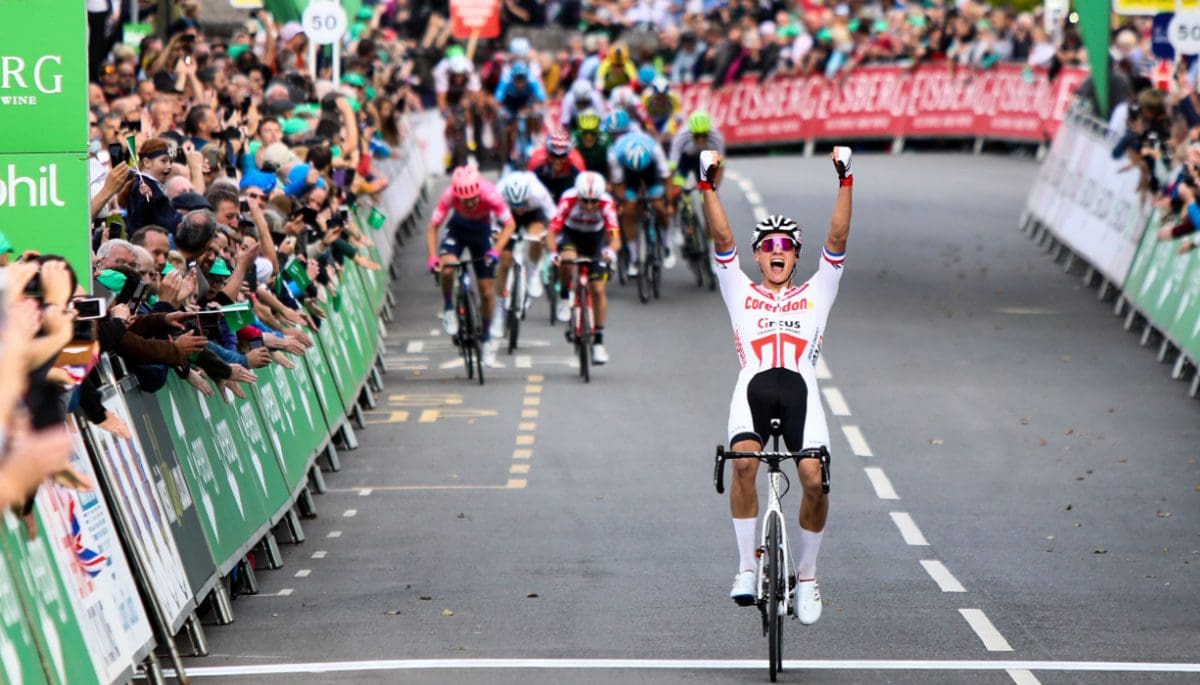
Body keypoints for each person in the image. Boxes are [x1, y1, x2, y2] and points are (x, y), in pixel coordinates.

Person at [699, 146, 854, 627]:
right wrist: (707, 184)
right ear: (757, 257)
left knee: (813, 480)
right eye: (767, 246)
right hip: (752, 390)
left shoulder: (818, 291)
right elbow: (721, 235)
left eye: (786, 246)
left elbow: (837, 235)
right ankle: (747, 568)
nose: (777, 251)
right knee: (743, 464)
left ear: (796, 255)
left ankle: (806, 577)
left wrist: (846, 179)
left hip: (802, 397)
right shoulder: (738, 289)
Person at [426, 166, 516, 368]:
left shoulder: (490, 193)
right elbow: (432, 227)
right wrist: (433, 258)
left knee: (486, 292)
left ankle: (485, 340)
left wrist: (496, 251)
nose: (470, 203)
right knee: (447, 268)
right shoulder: (449, 195)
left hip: (481, 234)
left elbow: (510, 225)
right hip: (457, 230)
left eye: (474, 199)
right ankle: (449, 307)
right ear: (457, 195)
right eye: (465, 201)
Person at [547, 171, 620, 365]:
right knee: (568, 260)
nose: (589, 206)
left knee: (597, 288)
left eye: (593, 201)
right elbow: (552, 232)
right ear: (578, 196)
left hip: (594, 240)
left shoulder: (607, 203)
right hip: (571, 235)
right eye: (585, 201)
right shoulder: (568, 199)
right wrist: (553, 253)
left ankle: (598, 342)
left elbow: (615, 236)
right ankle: (564, 295)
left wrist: (611, 251)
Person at [608, 121, 671, 275]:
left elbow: (667, 177)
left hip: (651, 173)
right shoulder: (616, 153)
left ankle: (667, 242)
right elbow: (618, 184)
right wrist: (623, 202)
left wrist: (668, 203)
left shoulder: (655, 149)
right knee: (628, 212)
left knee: (659, 207)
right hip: (630, 175)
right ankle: (635, 258)